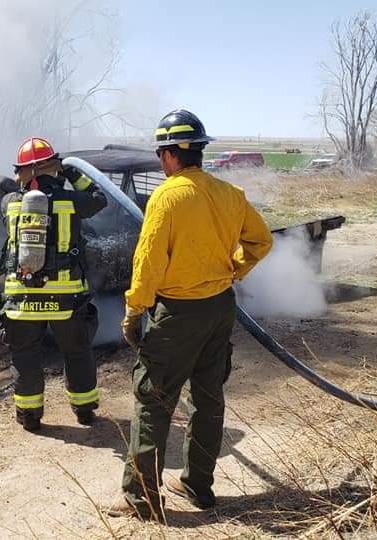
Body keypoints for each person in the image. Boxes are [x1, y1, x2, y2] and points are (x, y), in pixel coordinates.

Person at [106, 110, 273, 519]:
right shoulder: (230, 194)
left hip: (178, 314)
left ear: (171, 154)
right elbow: (261, 241)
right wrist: (234, 268)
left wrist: (134, 311)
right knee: (208, 397)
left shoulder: (168, 196)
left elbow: (147, 262)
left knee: (152, 398)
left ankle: (141, 499)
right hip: (219, 308)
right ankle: (198, 486)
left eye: (161, 152)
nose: (161, 161)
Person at [0, 137, 107, 431]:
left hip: (22, 299)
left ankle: (30, 416)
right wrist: (71, 172)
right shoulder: (72, 202)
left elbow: (12, 190)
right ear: (54, 168)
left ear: (23, 171)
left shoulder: (9, 203)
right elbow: (99, 197)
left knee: (25, 355)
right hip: (66, 299)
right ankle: (84, 411)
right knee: (77, 352)